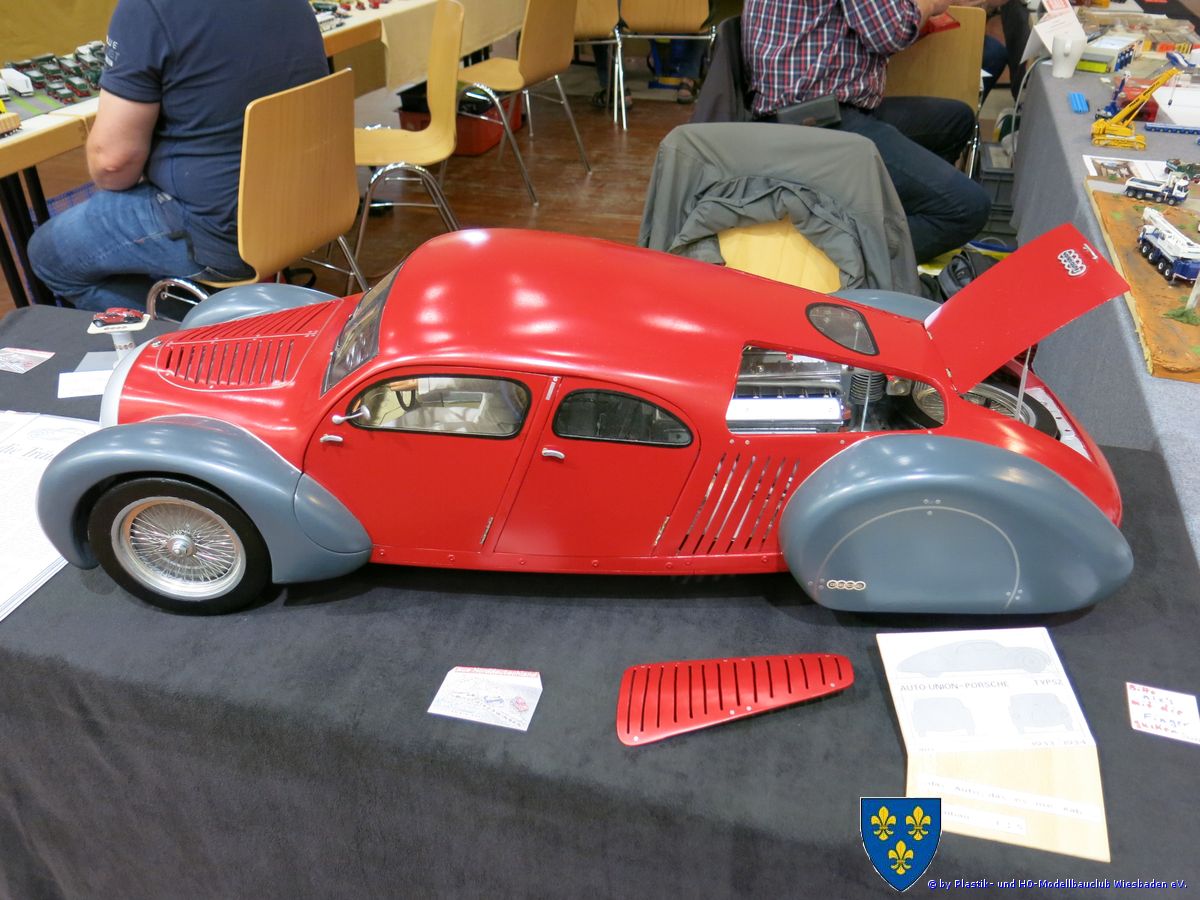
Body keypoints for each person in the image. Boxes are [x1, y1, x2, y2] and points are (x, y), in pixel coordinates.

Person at [29, 0, 329, 311]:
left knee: (48, 253)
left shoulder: (147, 9)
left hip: (226, 234)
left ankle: (209, 329)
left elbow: (113, 165)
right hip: (309, 206)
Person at [742, 0, 991, 263]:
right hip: (814, 122)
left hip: (818, 107)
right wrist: (930, 4)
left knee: (954, 121)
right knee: (967, 208)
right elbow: (891, 31)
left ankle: (879, 221)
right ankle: (836, 260)